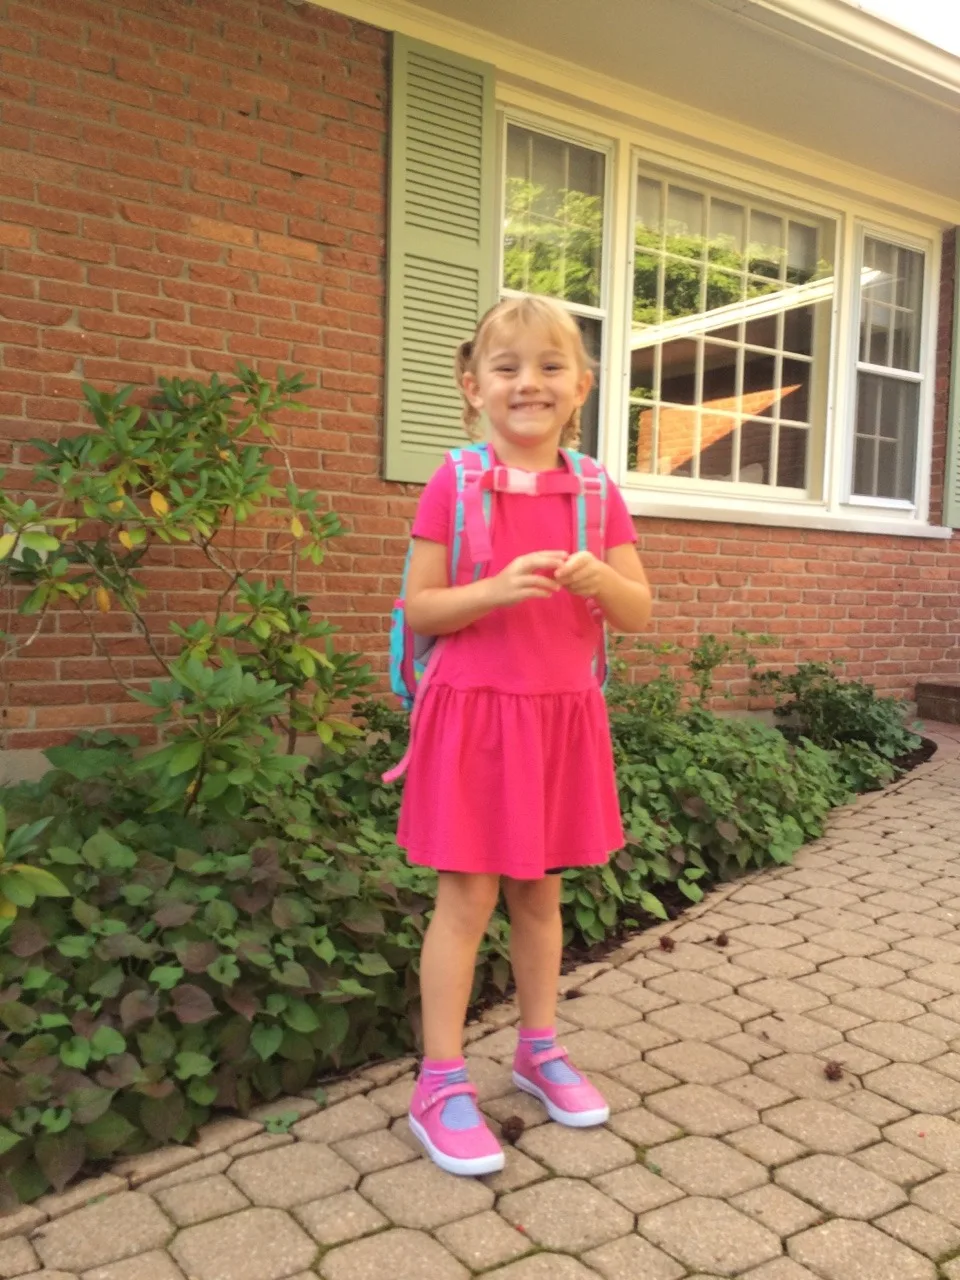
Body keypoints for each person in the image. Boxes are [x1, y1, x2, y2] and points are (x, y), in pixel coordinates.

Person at [398, 295, 652, 1177]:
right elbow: (422, 607)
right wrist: (494, 590)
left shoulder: (594, 490)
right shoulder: (455, 481)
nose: (527, 383)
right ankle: (437, 1082)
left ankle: (538, 1049)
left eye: (549, 367)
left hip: (557, 719)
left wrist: (598, 580)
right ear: (474, 387)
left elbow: (640, 609)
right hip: (474, 719)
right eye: (506, 368)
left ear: (579, 388)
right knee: (465, 903)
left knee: (540, 899)